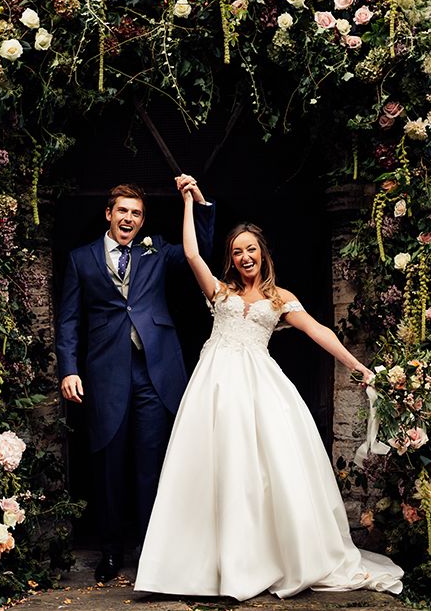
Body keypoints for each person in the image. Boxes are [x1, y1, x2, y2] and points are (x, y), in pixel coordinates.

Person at [134, 180, 403, 600]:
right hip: (214, 388)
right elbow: (190, 253)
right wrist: (188, 201)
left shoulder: (279, 298)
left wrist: (357, 365)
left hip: (258, 387)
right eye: (237, 252)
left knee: (260, 471)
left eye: (251, 250)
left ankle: (258, 560)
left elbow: (318, 330)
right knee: (210, 468)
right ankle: (201, 566)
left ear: (263, 254)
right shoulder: (219, 292)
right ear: (231, 258)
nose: (245, 257)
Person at [55, 179, 215, 583]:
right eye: (123, 211)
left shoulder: (156, 250)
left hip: (155, 372)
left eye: (137, 213)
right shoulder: (80, 259)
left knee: (152, 465)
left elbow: (203, 253)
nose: (129, 219)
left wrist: (199, 204)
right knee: (109, 466)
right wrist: (69, 368)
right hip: (105, 374)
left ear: (143, 221)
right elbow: (70, 319)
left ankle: (151, 551)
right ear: (109, 213)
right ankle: (110, 552)